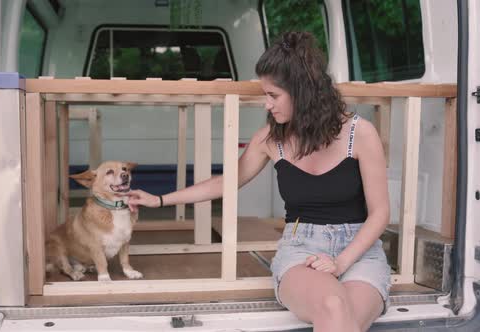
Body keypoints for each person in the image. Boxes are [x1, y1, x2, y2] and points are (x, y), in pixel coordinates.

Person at [126, 31, 391, 332]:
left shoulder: (360, 133)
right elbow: (224, 183)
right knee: (333, 306)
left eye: (273, 95)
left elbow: (380, 212)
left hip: (359, 252)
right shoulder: (270, 139)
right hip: (302, 248)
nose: (266, 105)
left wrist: (341, 262)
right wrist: (159, 200)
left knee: (346, 319)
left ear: (302, 92)